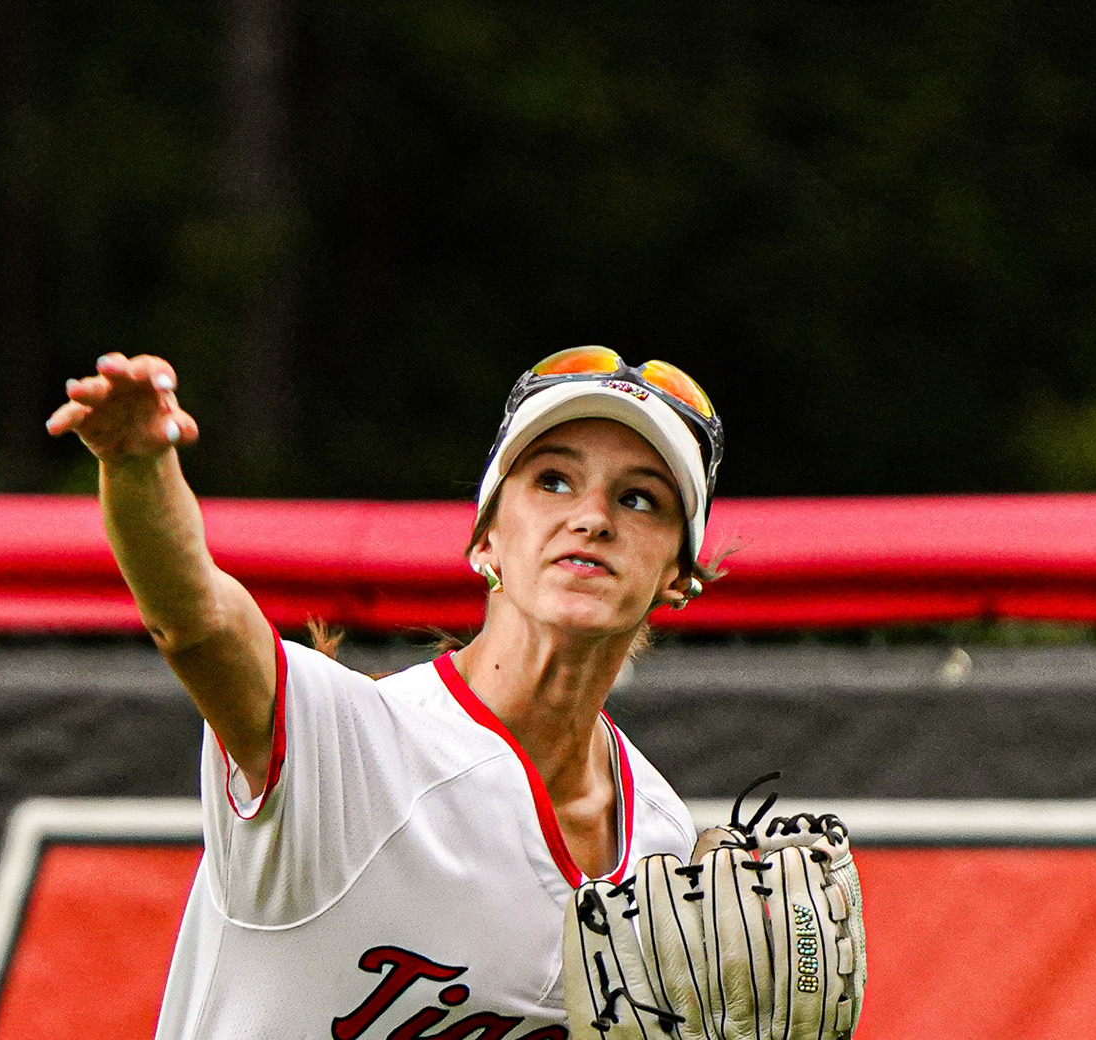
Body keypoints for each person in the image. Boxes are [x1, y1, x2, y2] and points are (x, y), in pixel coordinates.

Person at [46, 346, 724, 1040]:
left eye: (639, 498)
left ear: (679, 576)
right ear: (486, 540)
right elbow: (196, 618)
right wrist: (138, 466)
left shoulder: (662, 842)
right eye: (553, 481)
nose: (593, 518)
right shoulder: (346, 746)